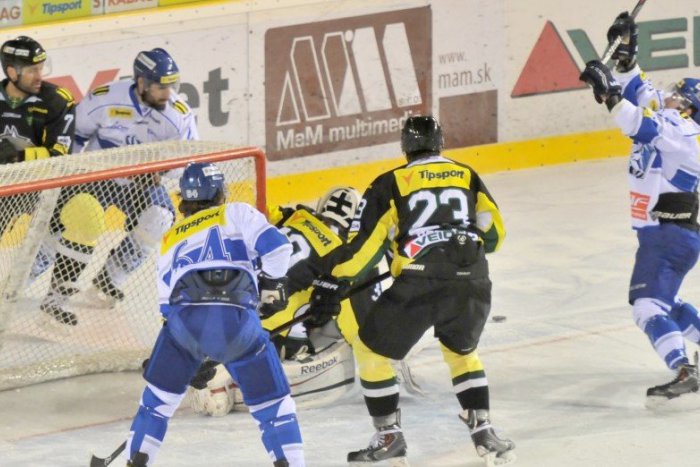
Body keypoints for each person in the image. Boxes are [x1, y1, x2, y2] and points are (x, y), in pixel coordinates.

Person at [308, 115, 515, 466]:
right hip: (473, 278)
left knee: (371, 350)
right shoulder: (467, 174)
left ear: (405, 147)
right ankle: (483, 430)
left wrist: (333, 280)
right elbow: (494, 235)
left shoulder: (390, 183)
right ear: (440, 143)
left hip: (420, 282)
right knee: (462, 351)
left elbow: (363, 251)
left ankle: (389, 436)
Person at [124, 161, 304, 467]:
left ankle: (135, 461)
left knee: (155, 404)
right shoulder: (236, 212)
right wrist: (273, 286)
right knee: (274, 409)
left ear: (183, 200)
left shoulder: (169, 238)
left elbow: (168, 309)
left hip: (183, 326)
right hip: (238, 321)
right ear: (219, 191)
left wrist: (193, 357)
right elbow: (278, 249)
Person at [580, 12, 700, 404]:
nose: (669, 96)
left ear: (689, 109)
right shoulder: (674, 118)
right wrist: (627, 53)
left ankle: (684, 369)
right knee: (666, 302)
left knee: (646, 307)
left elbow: (638, 123)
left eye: (679, 96)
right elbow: (641, 90)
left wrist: (608, 92)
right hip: (670, 235)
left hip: (668, 235)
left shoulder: (686, 133)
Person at [32, 47, 199, 327]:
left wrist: (160, 171)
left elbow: (189, 160)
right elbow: (75, 138)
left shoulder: (178, 114)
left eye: (172, 87)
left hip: (140, 183)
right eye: (160, 87)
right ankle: (26, 276)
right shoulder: (105, 98)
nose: (167, 94)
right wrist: (68, 179)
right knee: (69, 223)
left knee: (160, 218)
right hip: (97, 176)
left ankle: (108, 280)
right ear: (142, 83)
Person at [0, 36, 75, 235]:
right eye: (32, 70)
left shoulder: (57, 101)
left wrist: (18, 157)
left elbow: (60, 157)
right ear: (11, 72)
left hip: (44, 188)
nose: (39, 76)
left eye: (41, 68)